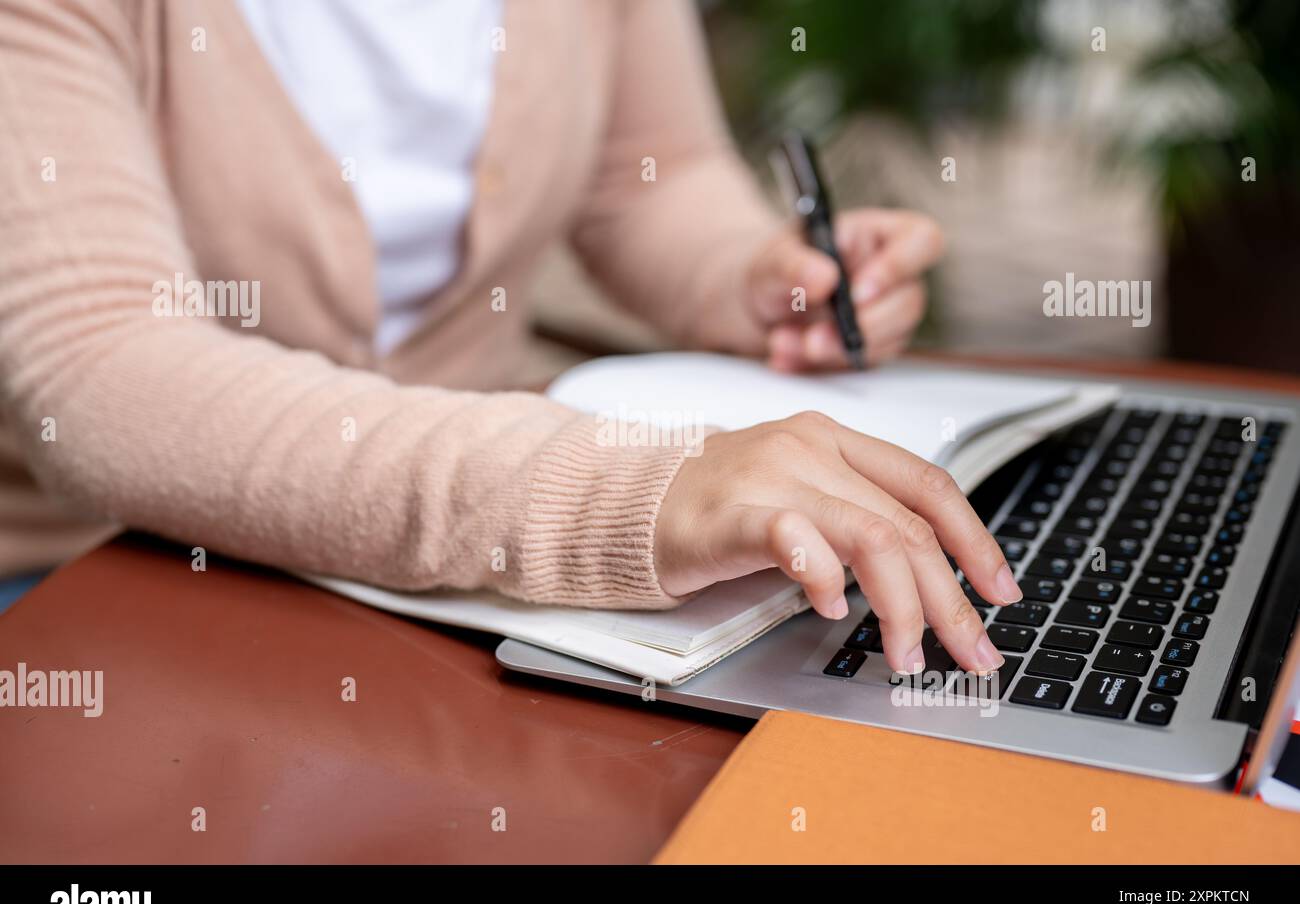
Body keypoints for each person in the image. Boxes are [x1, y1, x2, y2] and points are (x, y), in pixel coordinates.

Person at [0, 0, 1018, 673]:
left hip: (461, 559)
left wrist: (757, 278)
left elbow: (646, 172)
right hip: (100, 570)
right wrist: (629, 492)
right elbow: (99, 363)